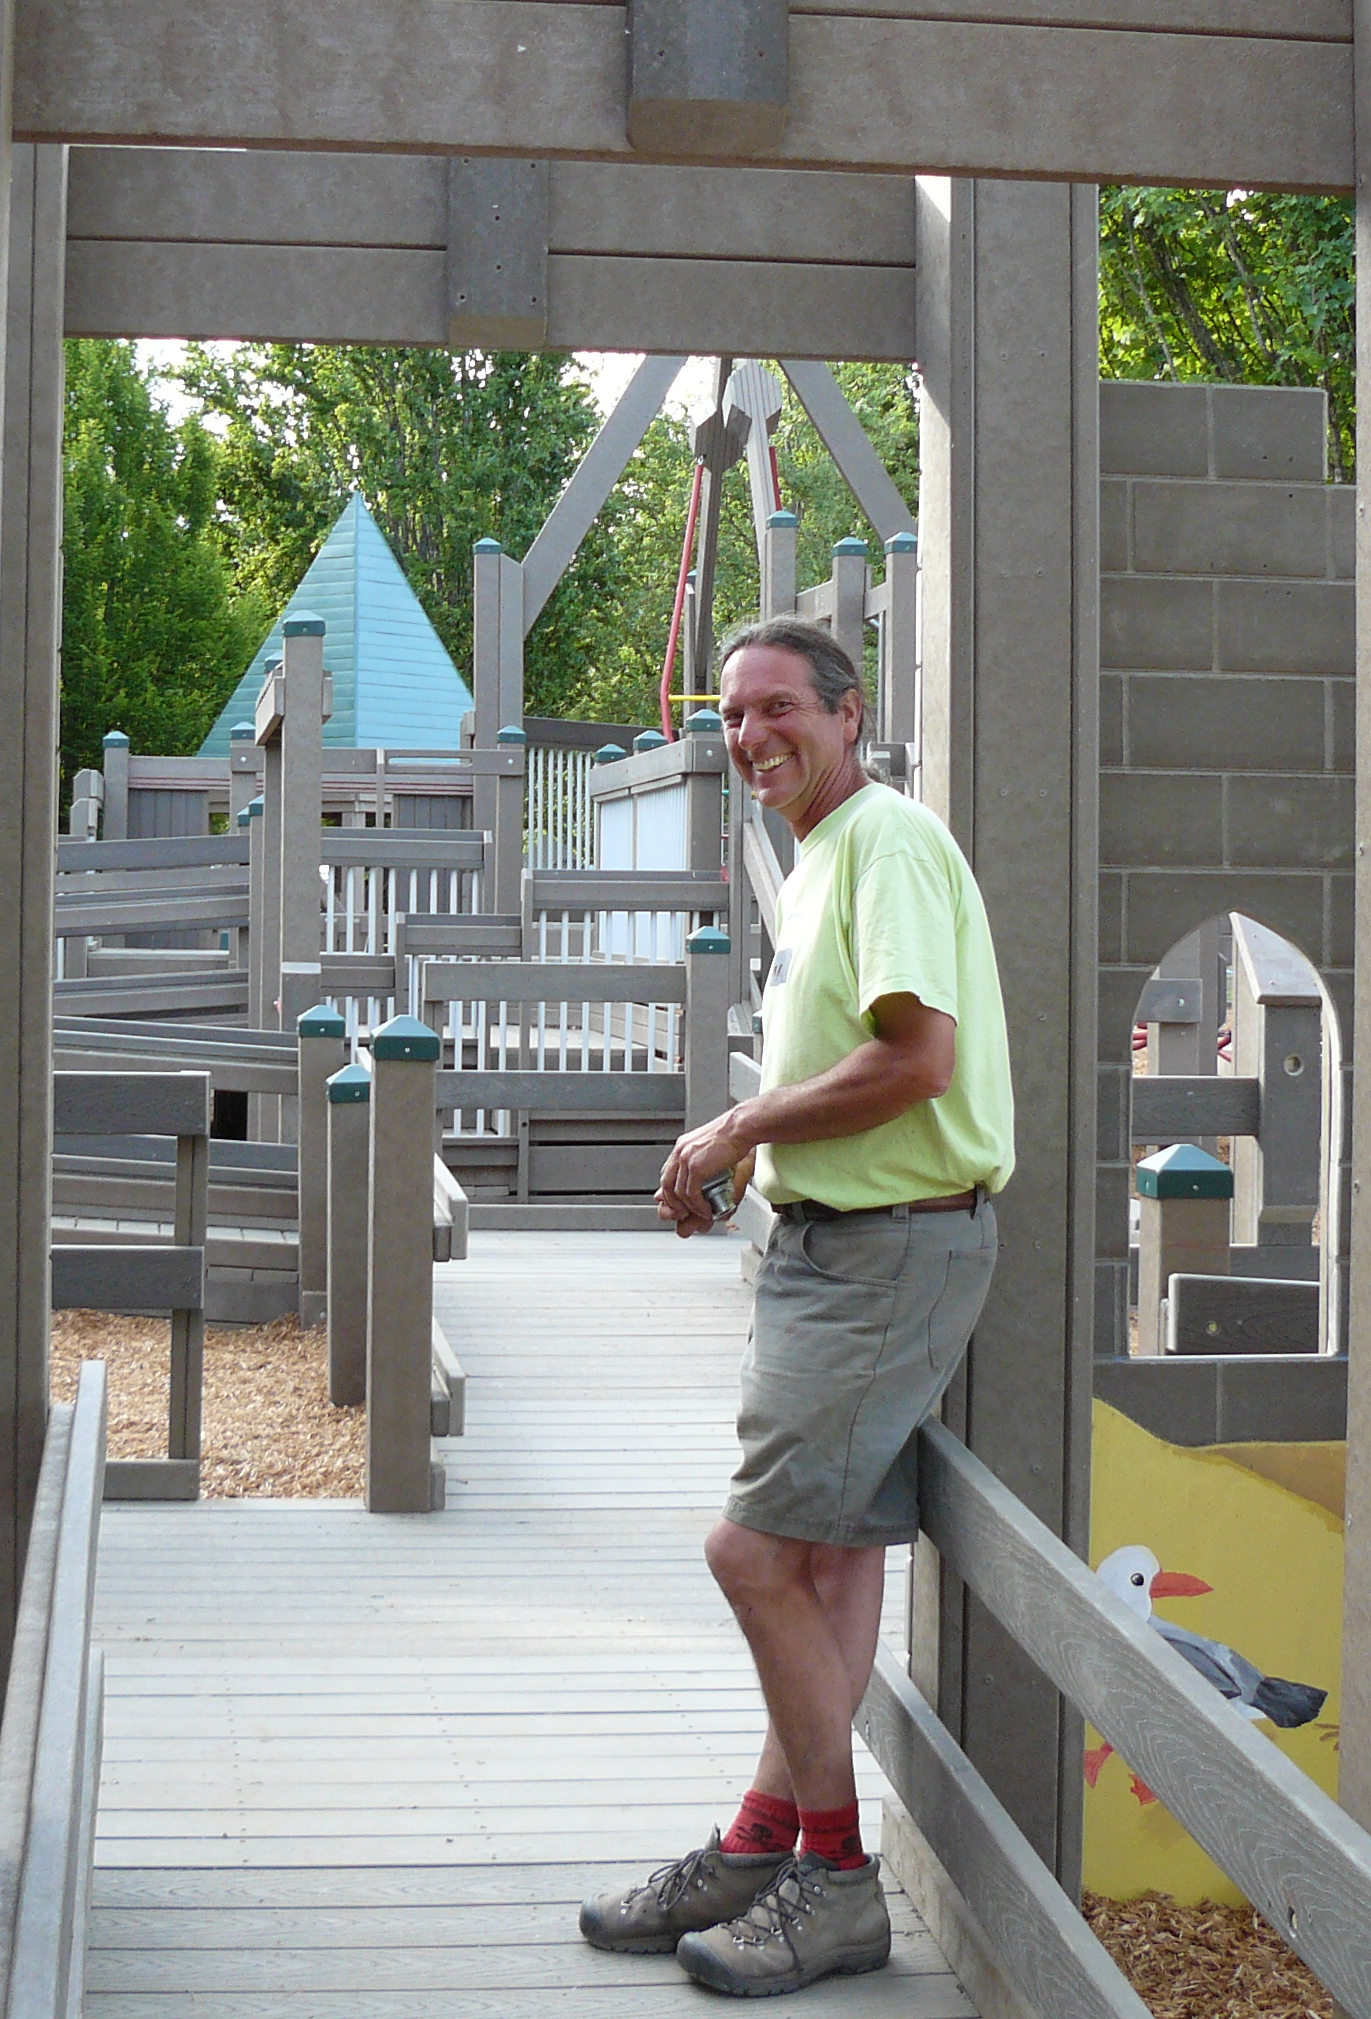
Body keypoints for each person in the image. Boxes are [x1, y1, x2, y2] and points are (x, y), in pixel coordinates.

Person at [579, 618, 1012, 1997]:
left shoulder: (888, 843)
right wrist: (756, 1156)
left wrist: (739, 1126)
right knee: (826, 1568)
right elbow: (853, 1065)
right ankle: (760, 1846)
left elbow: (919, 1060)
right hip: (844, 1241)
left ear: (848, 712)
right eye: (731, 716)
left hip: (888, 1252)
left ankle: (834, 1882)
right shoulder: (822, 856)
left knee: (749, 1555)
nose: (751, 736)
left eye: (778, 709)